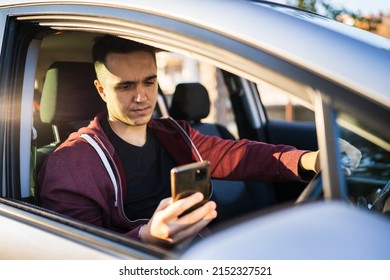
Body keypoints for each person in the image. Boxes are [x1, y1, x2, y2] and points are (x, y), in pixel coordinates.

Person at [38, 35, 361, 248]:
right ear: (101, 90)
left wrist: (313, 159)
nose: (141, 97)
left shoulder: (174, 133)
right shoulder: (71, 162)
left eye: (150, 82)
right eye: (125, 86)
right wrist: (147, 237)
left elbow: (241, 155)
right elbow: (78, 253)